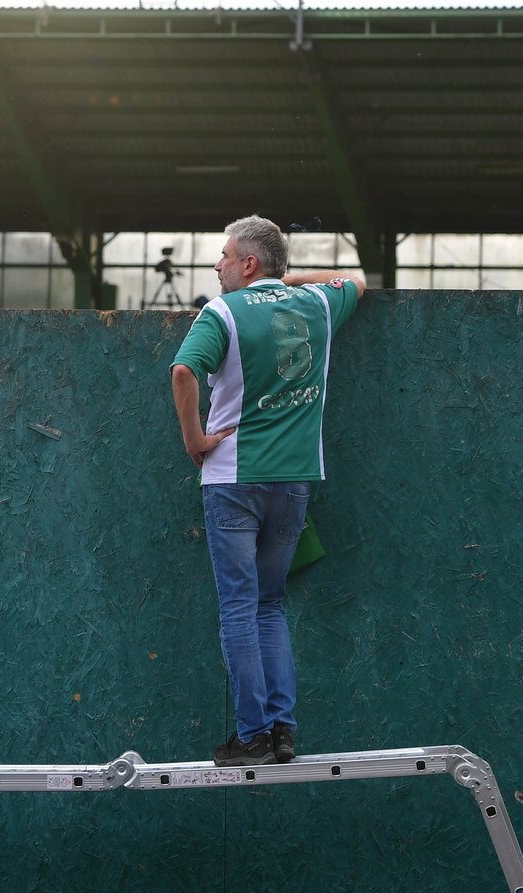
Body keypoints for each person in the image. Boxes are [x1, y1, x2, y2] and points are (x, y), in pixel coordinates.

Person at [170, 214, 366, 766]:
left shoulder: (222, 313)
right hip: (295, 481)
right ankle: (282, 731)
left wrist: (195, 439)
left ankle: (251, 735)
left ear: (247, 263)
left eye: (226, 256)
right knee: (270, 605)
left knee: (238, 608)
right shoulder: (321, 306)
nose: (218, 263)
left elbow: (183, 372)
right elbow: (356, 279)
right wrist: (285, 281)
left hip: (232, 479)